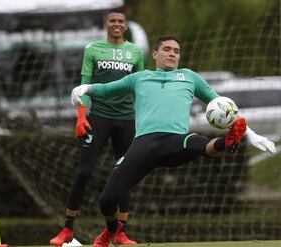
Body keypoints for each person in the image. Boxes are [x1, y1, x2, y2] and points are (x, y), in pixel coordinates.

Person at [70, 36, 276, 247]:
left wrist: (250, 134)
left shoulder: (189, 77)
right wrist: (86, 89)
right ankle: (111, 230)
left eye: (176, 51)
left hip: (176, 141)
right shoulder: (140, 77)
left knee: (200, 143)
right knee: (107, 200)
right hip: (143, 145)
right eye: (167, 49)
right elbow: (107, 89)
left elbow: (226, 108)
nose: (172, 54)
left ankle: (229, 141)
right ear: (155, 54)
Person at [49, 9, 145, 246]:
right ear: (105, 24)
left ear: (125, 26)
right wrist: (81, 114)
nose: (116, 24)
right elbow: (84, 84)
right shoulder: (93, 49)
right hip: (98, 117)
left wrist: (144, 118)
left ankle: (120, 233)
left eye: (120, 21)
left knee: (124, 174)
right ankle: (67, 229)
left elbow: (142, 88)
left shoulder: (136, 52)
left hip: (126, 119)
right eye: (112, 20)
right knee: (84, 172)